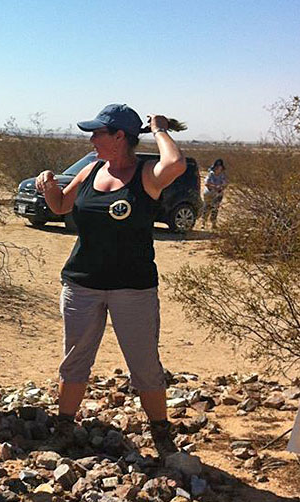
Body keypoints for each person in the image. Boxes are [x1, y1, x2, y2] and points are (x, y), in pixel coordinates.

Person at [35, 104, 187, 459]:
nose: (91, 139)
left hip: (132, 289)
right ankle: (64, 426)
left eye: (98, 133)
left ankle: (161, 433)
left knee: (144, 363)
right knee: (75, 360)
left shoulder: (146, 175)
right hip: (82, 283)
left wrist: (159, 128)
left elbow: (176, 165)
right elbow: (59, 206)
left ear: (120, 137)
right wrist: (48, 186)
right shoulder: (90, 170)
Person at [201, 158, 228, 229]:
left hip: (218, 194)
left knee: (215, 208)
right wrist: (215, 186)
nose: (219, 167)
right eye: (217, 166)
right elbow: (206, 183)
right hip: (209, 194)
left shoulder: (222, 175)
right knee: (207, 207)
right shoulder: (211, 174)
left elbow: (225, 184)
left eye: (220, 166)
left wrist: (221, 187)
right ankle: (203, 222)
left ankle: (213, 223)